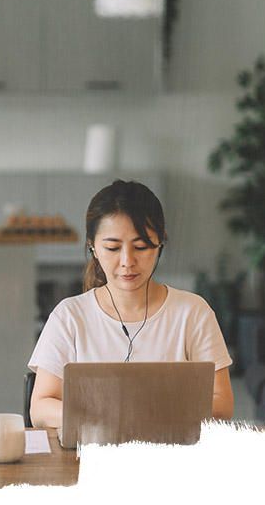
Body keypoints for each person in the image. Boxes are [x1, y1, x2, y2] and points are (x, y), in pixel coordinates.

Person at [28, 179, 234, 428]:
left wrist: (145, 411)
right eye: (113, 248)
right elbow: (40, 408)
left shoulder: (193, 313)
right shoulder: (69, 316)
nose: (127, 261)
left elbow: (222, 404)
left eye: (141, 246)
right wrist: (104, 417)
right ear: (93, 246)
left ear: (160, 245)